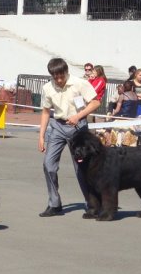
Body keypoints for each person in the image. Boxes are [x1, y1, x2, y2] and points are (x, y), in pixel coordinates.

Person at [38, 58, 100, 217]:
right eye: (55, 77)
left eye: (61, 76)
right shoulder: (47, 87)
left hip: (77, 128)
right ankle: (54, 204)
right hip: (57, 126)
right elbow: (45, 111)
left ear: (66, 72)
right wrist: (41, 136)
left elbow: (95, 102)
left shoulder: (80, 83)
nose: (59, 80)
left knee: (82, 168)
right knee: (48, 165)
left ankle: (92, 203)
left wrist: (78, 116)